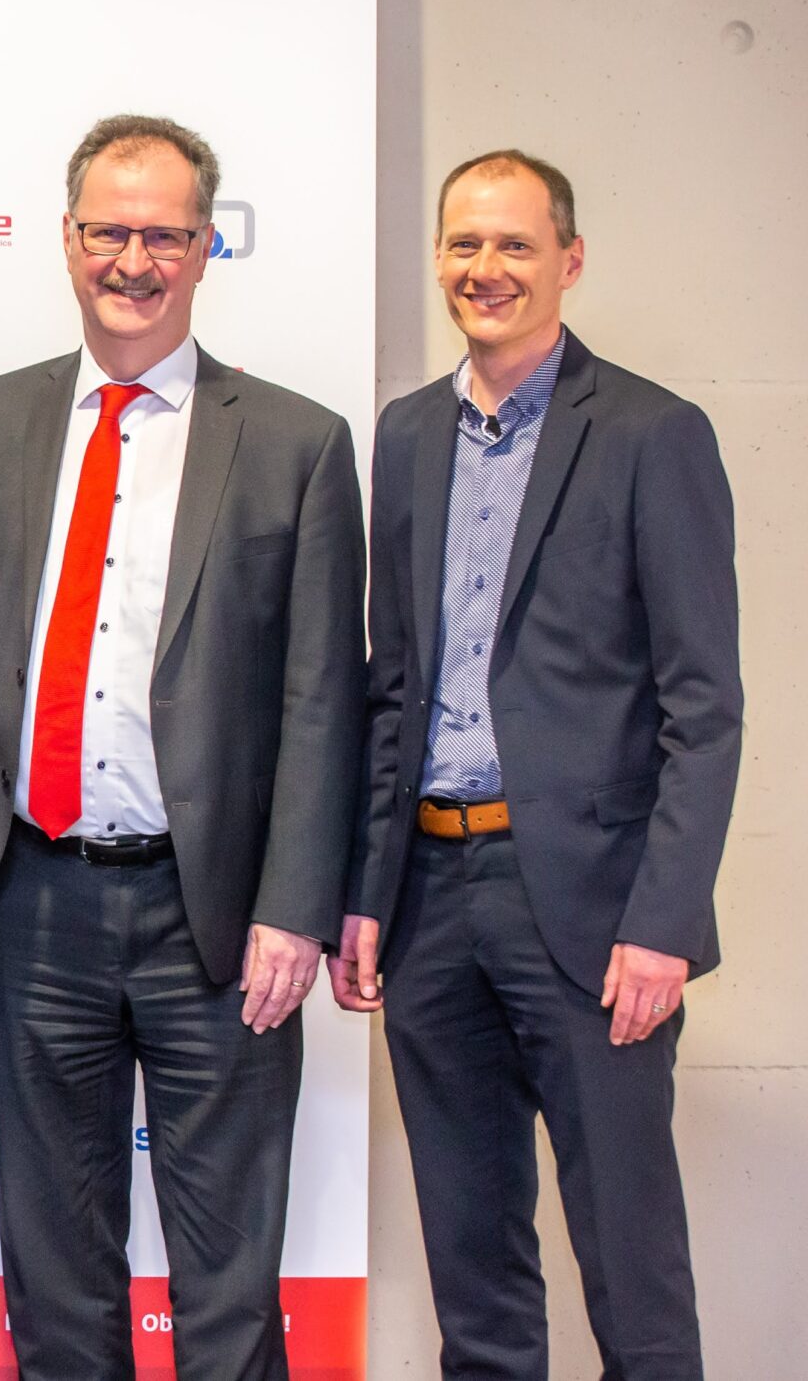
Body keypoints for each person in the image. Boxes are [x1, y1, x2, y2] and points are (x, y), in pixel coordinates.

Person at [0, 114, 364, 1381]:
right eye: (108, 231)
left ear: (206, 247)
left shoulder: (295, 442)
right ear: (65, 241)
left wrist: (295, 911)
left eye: (162, 234)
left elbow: (324, 700)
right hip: (32, 899)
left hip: (217, 917)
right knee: (56, 1284)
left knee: (228, 1290)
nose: (133, 259)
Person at [333, 149, 741, 1380]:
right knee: (473, 1261)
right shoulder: (407, 436)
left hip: (591, 909)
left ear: (568, 260)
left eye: (514, 245)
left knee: (630, 1262)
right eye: (463, 245)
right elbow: (391, 689)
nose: (484, 269)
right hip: (428, 905)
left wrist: (662, 924)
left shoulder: (652, 433)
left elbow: (703, 708)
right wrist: (364, 892)